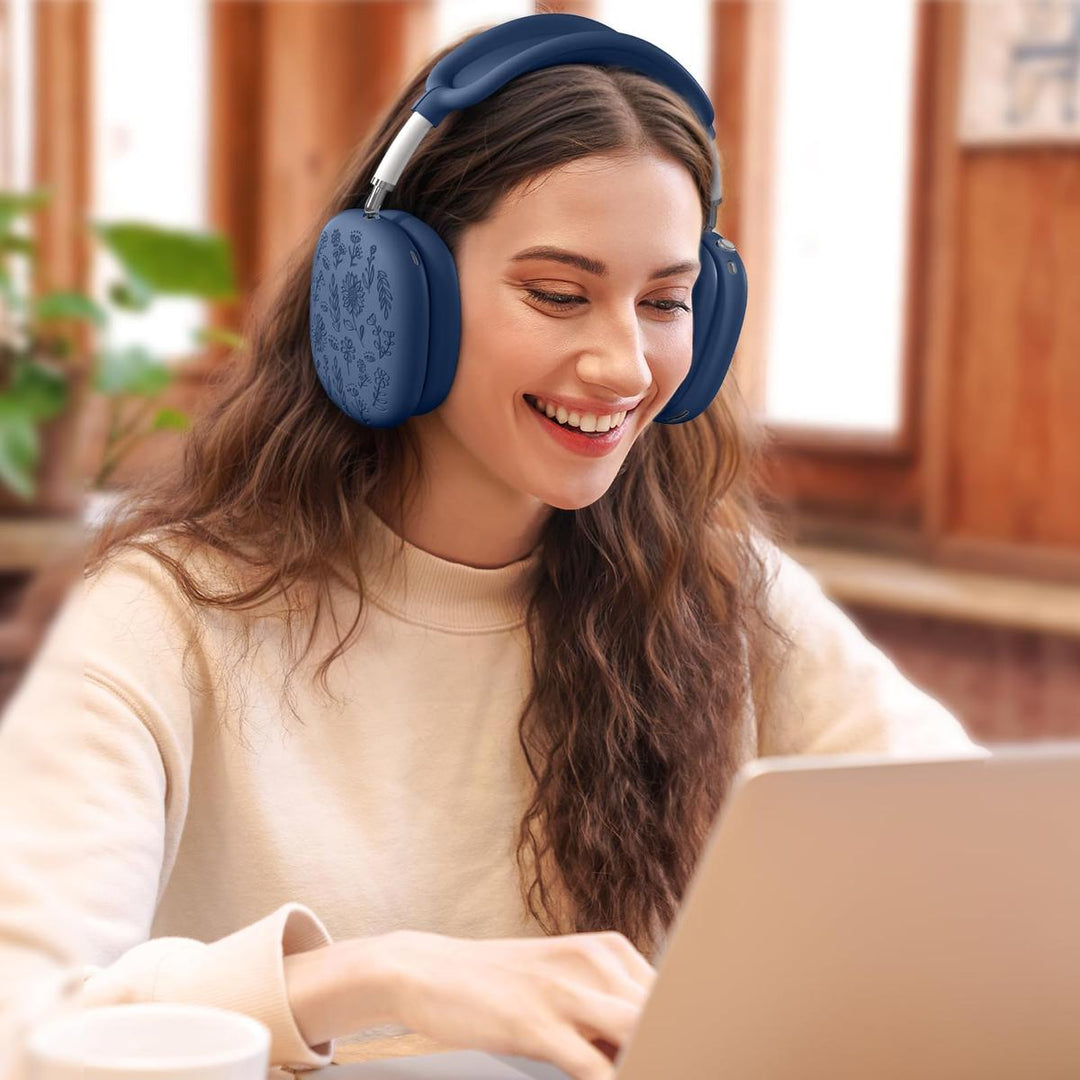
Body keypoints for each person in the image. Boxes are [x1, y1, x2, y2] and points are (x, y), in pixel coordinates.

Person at [0, 20, 983, 1080]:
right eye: (558, 295)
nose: (624, 366)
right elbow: (23, 1023)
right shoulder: (162, 616)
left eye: (665, 302)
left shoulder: (721, 593)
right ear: (388, 298)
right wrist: (382, 978)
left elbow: (987, 859)